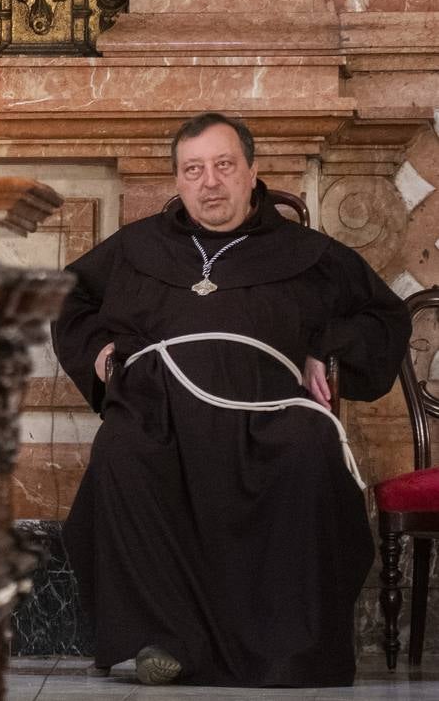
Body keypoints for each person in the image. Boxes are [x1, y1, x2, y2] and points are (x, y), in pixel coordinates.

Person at [52, 112, 411, 688]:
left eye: (223, 166)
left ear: (252, 173)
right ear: (178, 180)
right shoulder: (137, 246)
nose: (209, 182)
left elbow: (382, 316)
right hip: (159, 411)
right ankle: (160, 640)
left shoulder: (310, 253)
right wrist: (98, 352)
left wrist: (328, 348)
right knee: (123, 448)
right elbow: (69, 299)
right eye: (193, 170)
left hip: (268, 412)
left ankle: (291, 643)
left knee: (308, 445)